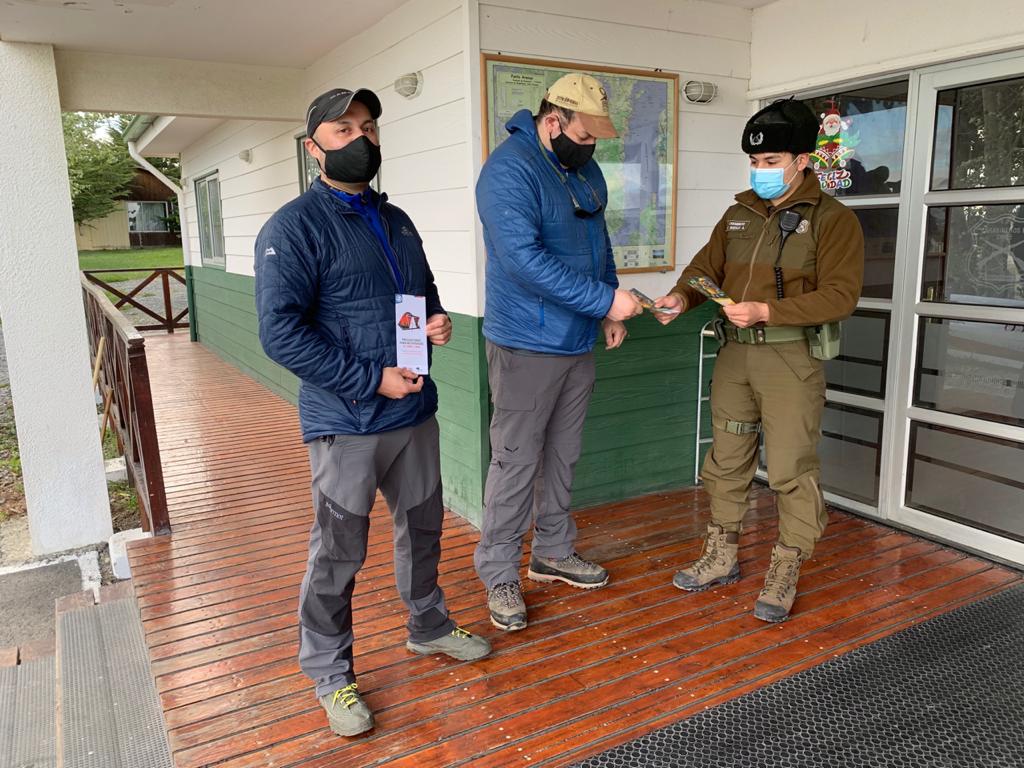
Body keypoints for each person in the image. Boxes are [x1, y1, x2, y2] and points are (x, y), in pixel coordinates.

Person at [254, 87, 490, 738]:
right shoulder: (293, 229)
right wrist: (368, 379)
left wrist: (436, 321)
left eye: (368, 127)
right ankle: (331, 674)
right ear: (314, 147)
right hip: (346, 422)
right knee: (337, 553)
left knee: (424, 530)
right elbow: (280, 333)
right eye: (342, 129)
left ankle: (429, 625)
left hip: (413, 413)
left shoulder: (398, 220)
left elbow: (422, 292)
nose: (360, 138)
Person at [653, 98, 864, 623]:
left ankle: (786, 566)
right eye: (756, 163)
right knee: (726, 459)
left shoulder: (833, 220)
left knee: (791, 467)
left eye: (772, 163)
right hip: (734, 359)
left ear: (802, 161)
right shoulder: (739, 214)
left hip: (790, 360)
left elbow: (841, 295)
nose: (761, 172)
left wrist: (769, 309)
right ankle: (721, 554)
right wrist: (682, 297)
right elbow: (704, 270)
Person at [473, 73, 642, 631]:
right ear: (553, 122)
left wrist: (606, 309)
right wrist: (604, 300)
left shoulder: (583, 169)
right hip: (525, 342)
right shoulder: (507, 171)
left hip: (577, 339)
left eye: (597, 138)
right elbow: (524, 262)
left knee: (563, 455)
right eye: (585, 135)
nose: (593, 146)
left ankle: (551, 551)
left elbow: (600, 242)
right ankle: (499, 572)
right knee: (516, 460)